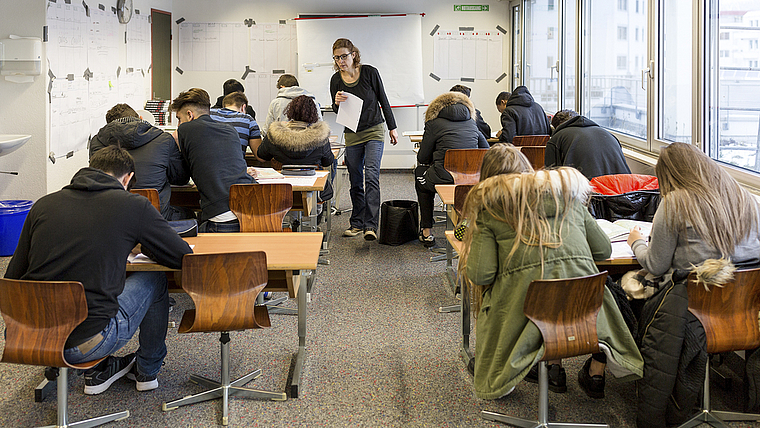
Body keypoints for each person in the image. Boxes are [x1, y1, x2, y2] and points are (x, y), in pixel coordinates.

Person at [4, 146, 192, 395]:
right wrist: (140, 242)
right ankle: (147, 370)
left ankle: (88, 368)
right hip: (85, 342)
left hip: (24, 334)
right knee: (155, 278)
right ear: (127, 179)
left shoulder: (44, 205)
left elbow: (12, 277)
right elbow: (181, 256)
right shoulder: (133, 205)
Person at [460, 167, 643, 400]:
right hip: (585, 321)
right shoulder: (572, 205)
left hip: (524, 322)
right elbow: (603, 250)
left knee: (503, 298)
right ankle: (585, 370)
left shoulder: (494, 213)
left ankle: (530, 369)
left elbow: (480, 275)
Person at [621, 142, 760, 426]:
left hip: (691, 311)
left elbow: (657, 264)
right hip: (746, 312)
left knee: (628, 288)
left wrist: (635, 242)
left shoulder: (675, 203)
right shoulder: (744, 197)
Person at [330, 38, 399, 241]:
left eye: (344, 56)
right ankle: (357, 223)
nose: (341, 61)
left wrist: (392, 127)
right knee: (355, 178)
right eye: (337, 57)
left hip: (374, 130)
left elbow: (383, 100)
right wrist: (335, 103)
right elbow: (337, 110)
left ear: (353, 54)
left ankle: (371, 225)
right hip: (352, 132)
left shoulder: (369, 72)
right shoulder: (336, 80)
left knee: (371, 175)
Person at [171, 88, 254, 232]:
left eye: (179, 118)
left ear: (189, 115)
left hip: (221, 218)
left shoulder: (184, 130)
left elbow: (181, 177)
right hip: (250, 209)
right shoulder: (230, 130)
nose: (179, 124)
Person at [89, 103, 191, 221]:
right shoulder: (164, 139)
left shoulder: (96, 142)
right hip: (155, 216)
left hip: (111, 217)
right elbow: (181, 178)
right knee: (189, 214)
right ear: (141, 118)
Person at [415, 91, 488, 246]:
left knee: (420, 175)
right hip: (472, 179)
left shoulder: (433, 124)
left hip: (445, 177)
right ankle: (466, 220)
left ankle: (426, 230)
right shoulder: (471, 123)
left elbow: (422, 158)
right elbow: (486, 150)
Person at [258, 95, 334, 202]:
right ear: (314, 113)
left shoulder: (274, 134)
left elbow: (261, 155)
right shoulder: (320, 136)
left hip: (280, 192)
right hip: (313, 194)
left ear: (290, 111)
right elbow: (328, 162)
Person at [544, 109, 631, 179]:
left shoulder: (557, 139)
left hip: (588, 195)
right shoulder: (609, 135)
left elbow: (552, 179)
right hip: (623, 193)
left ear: (555, 128)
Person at [262, 74, 322, 139]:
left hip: (283, 143)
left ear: (282, 87)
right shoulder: (312, 101)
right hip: (309, 142)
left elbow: (267, 130)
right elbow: (320, 126)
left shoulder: (276, 103)